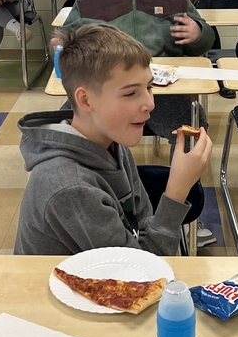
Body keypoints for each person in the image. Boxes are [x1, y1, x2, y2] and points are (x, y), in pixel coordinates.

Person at [63, 0, 217, 247]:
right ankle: (96, 204)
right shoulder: (90, 1)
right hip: (109, 98)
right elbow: (67, 44)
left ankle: (184, 208)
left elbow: (204, 42)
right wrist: (62, 45)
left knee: (192, 126)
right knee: (73, 127)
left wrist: (199, 33)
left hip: (161, 96)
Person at [14, 24, 212, 255]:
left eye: (149, 87)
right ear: (85, 100)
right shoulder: (69, 186)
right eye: (130, 93)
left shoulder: (111, 143)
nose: (150, 104)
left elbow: (141, 226)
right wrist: (177, 190)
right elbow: (139, 268)